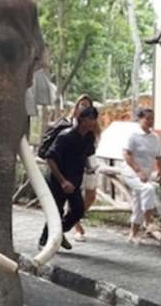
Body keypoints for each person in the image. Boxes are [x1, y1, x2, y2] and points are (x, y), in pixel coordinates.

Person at [38, 106, 99, 250]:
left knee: (78, 210)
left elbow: (87, 155)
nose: (92, 122)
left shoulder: (89, 138)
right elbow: (50, 158)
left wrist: (90, 169)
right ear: (82, 119)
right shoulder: (65, 136)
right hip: (58, 180)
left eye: (94, 119)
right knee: (56, 211)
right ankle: (44, 239)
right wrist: (62, 181)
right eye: (90, 119)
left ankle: (59, 233)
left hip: (75, 181)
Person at [122, 107, 161, 244]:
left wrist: (160, 171)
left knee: (139, 203)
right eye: (147, 118)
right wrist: (138, 170)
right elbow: (126, 154)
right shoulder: (133, 135)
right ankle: (149, 222)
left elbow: (159, 157)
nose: (150, 121)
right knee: (148, 189)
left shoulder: (155, 137)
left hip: (146, 173)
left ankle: (133, 234)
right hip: (131, 171)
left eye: (152, 119)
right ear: (140, 119)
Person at [69, 94, 101, 242]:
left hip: (91, 161)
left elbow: (95, 143)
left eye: (87, 105)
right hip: (75, 162)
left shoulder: (94, 126)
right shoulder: (71, 123)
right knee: (75, 195)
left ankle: (73, 217)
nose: (84, 107)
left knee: (91, 195)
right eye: (81, 104)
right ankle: (76, 225)